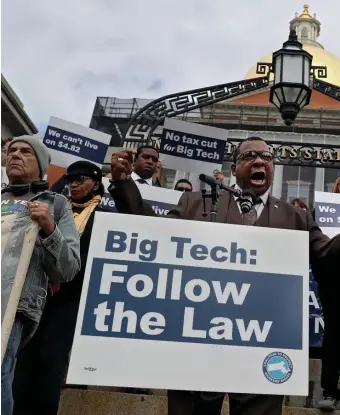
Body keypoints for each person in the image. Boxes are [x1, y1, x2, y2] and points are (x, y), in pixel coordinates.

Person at [108, 136, 340, 415]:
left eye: (266, 157)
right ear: (233, 167)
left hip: (267, 345)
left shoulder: (295, 217)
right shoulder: (197, 203)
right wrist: (123, 184)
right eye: (249, 156)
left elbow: (328, 256)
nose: (259, 161)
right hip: (200, 339)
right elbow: (153, 238)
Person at [12, 161, 105, 415]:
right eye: (70, 180)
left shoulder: (104, 213)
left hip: (71, 297)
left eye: (81, 180)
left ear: (95, 183)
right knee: (26, 359)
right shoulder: (54, 206)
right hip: (40, 293)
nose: (74, 184)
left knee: (52, 359)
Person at [1, 136, 81, 415]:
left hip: (13, 306)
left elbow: (68, 268)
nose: (15, 155)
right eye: (11, 151)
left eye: (25, 152)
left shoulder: (56, 205)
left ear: (42, 164)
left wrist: (49, 228)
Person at [316, 177, 340, 411]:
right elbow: (319, 247)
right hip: (334, 282)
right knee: (334, 336)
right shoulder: (324, 210)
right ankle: (330, 391)